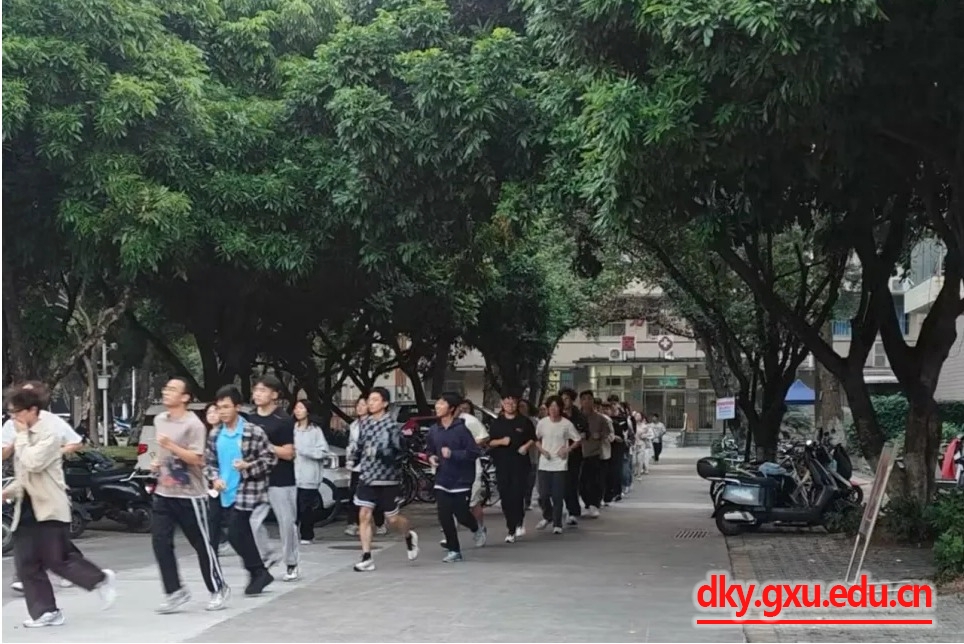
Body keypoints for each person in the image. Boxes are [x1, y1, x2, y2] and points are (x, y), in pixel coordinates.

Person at [2, 384, 117, 628]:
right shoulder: (25, 433)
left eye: (16, 412)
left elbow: (33, 463)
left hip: (49, 505)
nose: (13, 418)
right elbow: (25, 475)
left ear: (32, 410)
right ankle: (47, 612)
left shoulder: (49, 432)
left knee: (56, 559)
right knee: (26, 563)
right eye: (10, 413)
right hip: (27, 506)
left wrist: (19, 437)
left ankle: (99, 579)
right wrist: (7, 492)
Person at [151, 377, 229, 613]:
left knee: (202, 544)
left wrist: (171, 446)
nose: (166, 392)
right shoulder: (159, 419)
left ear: (185, 397)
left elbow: (196, 459)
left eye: (173, 389)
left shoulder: (194, 425)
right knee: (160, 542)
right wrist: (158, 462)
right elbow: (162, 451)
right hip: (164, 491)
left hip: (190, 496)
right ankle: (175, 591)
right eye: (166, 388)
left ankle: (218, 587)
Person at [2, 381, 84, 593]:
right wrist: (12, 447)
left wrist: (55, 453)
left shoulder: (51, 425)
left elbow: (75, 442)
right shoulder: (13, 423)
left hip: (46, 484)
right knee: (25, 534)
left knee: (50, 536)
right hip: (22, 482)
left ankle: (80, 572)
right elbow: (4, 451)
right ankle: (27, 577)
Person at [205, 385, 277, 595]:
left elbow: (270, 459)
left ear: (237, 407)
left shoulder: (252, 432)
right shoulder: (215, 434)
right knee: (238, 534)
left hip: (247, 491)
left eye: (226, 407)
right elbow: (209, 463)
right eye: (219, 407)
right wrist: (215, 478)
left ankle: (258, 571)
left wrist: (248, 466)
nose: (222, 412)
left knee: (236, 533)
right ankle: (258, 573)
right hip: (223, 492)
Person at [347, 387, 419, 572]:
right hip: (367, 477)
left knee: (392, 519)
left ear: (385, 403)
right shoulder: (365, 424)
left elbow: (401, 453)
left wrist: (383, 453)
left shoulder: (392, 427)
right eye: (369, 400)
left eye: (375, 400)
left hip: (387, 479)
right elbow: (360, 446)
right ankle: (366, 556)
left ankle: (408, 535)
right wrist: (354, 459)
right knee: (364, 514)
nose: (370, 403)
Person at [247, 375, 300, 582]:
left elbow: (288, 453)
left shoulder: (283, 420)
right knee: (252, 521)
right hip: (257, 479)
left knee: (286, 523)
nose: (258, 394)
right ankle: (267, 555)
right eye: (256, 390)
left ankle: (291, 562)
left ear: (274, 395)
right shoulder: (250, 419)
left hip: (281, 479)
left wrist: (265, 446)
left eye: (263, 390)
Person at [426, 393, 486, 562]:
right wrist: (431, 457)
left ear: (451, 408)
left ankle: (476, 528)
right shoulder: (434, 430)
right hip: (442, 478)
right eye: (437, 404)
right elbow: (429, 450)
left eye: (442, 404)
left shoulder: (461, 429)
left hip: (461, 478)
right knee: (444, 514)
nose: (437, 407)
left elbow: (473, 453)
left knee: (461, 514)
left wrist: (453, 454)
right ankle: (454, 550)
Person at [487, 393, 536, 543]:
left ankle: (514, 526)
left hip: (520, 464)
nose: (510, 405)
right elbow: (490, 442)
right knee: (505, 495)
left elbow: (533, 438)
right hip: (502, 463)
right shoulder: (497, 423)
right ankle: (511, 523)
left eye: (513, 403)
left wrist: (525, 447)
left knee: (517, 494)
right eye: (507, 403)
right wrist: (501, 441)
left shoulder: (524, 421)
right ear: (502, 404)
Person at [535, 396, 581, 534]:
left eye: (556, 406)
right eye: (551, 407)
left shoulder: (566, 424)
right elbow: (535, 439)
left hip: (560, 464)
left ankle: (557, 523)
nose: (553, 409)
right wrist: (542, 450)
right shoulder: (542, 423)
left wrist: (567, 449)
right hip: (545, 462)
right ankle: (548, 515)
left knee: (557, 495)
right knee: (543, 494)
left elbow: (577, 439)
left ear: (560, 408)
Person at [345, 395, 386, 537]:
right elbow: (351, 443)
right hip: (357, 465)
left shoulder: (375, 423)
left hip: (371, 466)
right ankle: (353, 523)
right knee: (353, 494)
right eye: (358, 405)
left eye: (363, 405)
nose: (360, 408)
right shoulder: (354, 425)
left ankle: (379, 522)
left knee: (374, 495)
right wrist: (350, 456)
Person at [292, 400, 330, 544]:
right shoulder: (291, 429)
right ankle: (292, 534)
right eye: (296, 408)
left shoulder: (315, 431)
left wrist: (305, 451)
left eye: (301, 408)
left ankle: (307, 535)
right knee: (293, 507)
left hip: (309, 475)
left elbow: (323, 452)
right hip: (293, 475)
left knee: (306, 507)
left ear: (308, 411)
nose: (297, 410)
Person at [457, 399, 489, 531]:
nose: (463, 410)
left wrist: (472, 445)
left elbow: (484, 437)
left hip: (471, 465)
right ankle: (449, 533)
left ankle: (480, 528)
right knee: (450, 502)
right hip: (453, 467)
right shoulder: (445, 422)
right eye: (461, 408)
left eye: (466, 408)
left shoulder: (471, 421)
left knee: (473, 501)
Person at [577, 391, 610, 518]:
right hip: (578, 453)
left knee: (594, 481)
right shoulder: (576, 417)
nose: (587, 401)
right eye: (584, 399)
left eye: (589, 399)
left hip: (594, 453)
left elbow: (607, 433)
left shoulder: (600, 419)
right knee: (581, 482)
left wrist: (599, 435)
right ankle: (586, 503)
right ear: (580, 401)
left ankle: (594, 504)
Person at [559, 388, 586, 526]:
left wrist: (581, 436)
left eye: (566, 399)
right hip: (559, 454)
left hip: (575, 454)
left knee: (572, 482)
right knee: (561, 483)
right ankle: (562, 508)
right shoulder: (557, 415)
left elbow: (585, 432)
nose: (564, 402)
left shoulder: (579, 416)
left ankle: (573, 511)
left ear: (572, 400)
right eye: (562, 399)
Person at [517, 400, 540, 510]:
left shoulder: (534, 422)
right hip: (518, 456)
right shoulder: (515, 421)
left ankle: (527, 501)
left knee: (530, 480)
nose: (521, 409)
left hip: (532, 455)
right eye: (519, 406)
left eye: (523, 406)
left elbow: (538, 437)